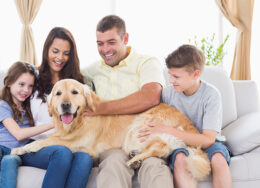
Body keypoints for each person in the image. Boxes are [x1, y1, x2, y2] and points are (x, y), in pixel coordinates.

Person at [0, 27, 92, 188]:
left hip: (69, 140)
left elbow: (92, 111)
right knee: (61, 152)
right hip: (36, 144)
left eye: (66, 53)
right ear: (46, 50)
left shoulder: (79, 81)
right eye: (55, 51)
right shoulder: (33, 78)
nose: (60, 57)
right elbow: (3, 106)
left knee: (85, 158)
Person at [82, 15, 173, 188]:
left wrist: (102, 108)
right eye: (100, 44)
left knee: (154, 168)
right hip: (113, 143)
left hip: (147, 136)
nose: (105, 49)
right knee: (112, 165)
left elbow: (151, 96)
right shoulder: (92, 70)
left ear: (125, 38)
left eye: (111, 42)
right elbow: (65, 77)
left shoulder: (146, 62)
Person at [139, 44, 232, 188]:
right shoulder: (167, 93)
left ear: (195, 74)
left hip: (207, 142)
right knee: (180, 159)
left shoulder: (211, 95)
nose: (171, 80)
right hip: (178, 143)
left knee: (218, 159)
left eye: (176, 76)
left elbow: (208, 140)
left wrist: (167, 130)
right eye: (170, 75)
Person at [0, 61, 54, 188]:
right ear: (9, 82)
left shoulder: (30, 106)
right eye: (21, 84)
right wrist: (53, 124)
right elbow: (18, 134)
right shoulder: (3, 106)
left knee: (11, 161)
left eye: (30, 86)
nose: (26, 90)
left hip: (15, 151)